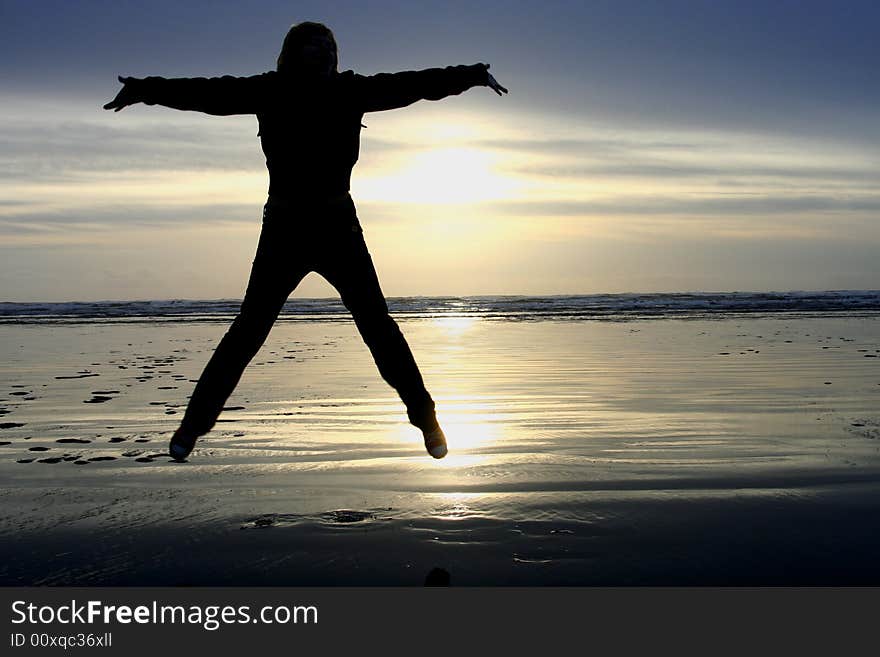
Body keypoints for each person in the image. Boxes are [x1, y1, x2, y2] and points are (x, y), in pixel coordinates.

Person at [103, 21, 508, 462]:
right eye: (315, 48)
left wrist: (470, 74)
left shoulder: (352, 91)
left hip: (338, 227)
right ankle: (192, 427)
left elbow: (411, 85)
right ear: (293, 53)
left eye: (330, 48)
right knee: (248, 331)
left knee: (378, 327)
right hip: (285, 227)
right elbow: (207, 94)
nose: (325, 55)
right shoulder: (269, 90)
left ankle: (426, 420)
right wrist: (144, 89)